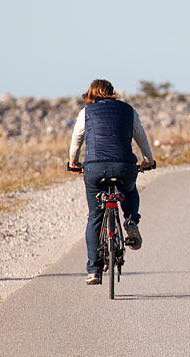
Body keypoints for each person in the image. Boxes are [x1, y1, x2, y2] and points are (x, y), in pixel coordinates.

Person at [69, 79, 155, 285]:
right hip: (124, 165)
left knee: (95, 217)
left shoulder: (85, 113)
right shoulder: (128, 110)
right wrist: (148, 161)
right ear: (112, 93)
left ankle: (94, 271)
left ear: (90, 94)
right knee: (130, 189)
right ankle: (131, 221)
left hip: (95, 167)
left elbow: (76, 139)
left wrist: (73, 161)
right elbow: (141, 138)